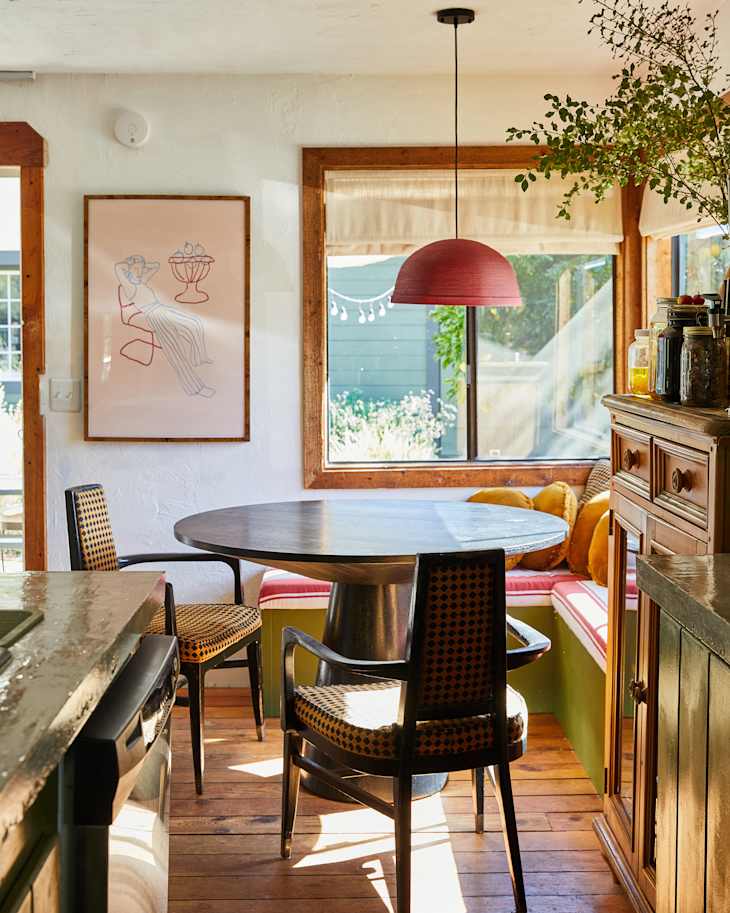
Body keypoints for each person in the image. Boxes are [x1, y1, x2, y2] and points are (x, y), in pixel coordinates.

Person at [115, 255, 215, 397]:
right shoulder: (129, 287)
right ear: (129, 270)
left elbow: (155, 265)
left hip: (162, 308)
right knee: (174, 348)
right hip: (153, 314)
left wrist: (141, 266)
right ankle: (195, 388)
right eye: (136, 269)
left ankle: (199, 358)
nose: (140, 271)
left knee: (195, 322)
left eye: (141, 268)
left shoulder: (141, 281)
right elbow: (118, 267)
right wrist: (131, 264)